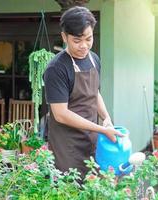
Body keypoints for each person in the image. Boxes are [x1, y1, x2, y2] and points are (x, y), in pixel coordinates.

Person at [43, 6, 123, 178]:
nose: (84, 46)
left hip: (92, 140)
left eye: (88, 38)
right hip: (67, 146)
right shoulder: (57, 68)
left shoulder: (94, 59)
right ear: (65, 37)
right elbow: (61, 114)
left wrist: (106, 118)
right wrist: (101, 130)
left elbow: (94, 93)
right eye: (77, 40)